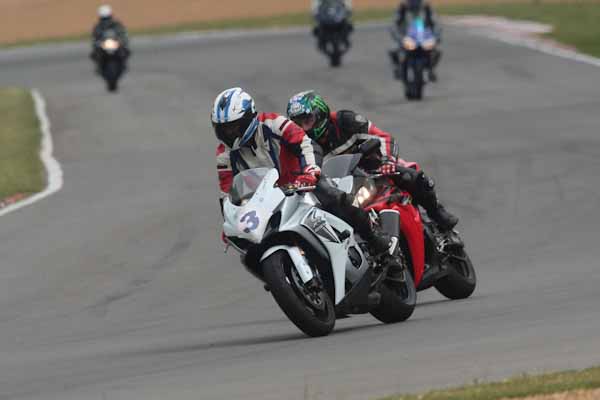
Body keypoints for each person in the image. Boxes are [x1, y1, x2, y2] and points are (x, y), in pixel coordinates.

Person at [214, 87, 404, 278]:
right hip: (268, 199)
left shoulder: (273, 123)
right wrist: (231, 220)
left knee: (334, 197)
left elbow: (304, 142)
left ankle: (378, 242)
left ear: (249, 117)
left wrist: (310, 171)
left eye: (234, 127)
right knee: (250, 253)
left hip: (301, 179)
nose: (230, 133)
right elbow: (227, 193)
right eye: (225, 129)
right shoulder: (224, 155)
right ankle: (285, 278)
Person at [286, 90, 459, 235]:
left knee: (411, 176)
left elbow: (383, 137)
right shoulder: (300, 144)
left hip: (375, 167)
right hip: (340, 186)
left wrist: (387, 160)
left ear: (320, 114)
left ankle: (436, 212)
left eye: (307, 121)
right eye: (299, 125)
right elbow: (292, 169)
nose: (304, 128)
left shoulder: (345, 120)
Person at [391, 0, 440, 81]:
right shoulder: (402, 7)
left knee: (436, 51)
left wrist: (436, 36)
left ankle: (431, 69)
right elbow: (394, 24)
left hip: (423, 36)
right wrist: (398, 37)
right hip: (406, 36)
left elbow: (435, 23)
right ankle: (398, 68)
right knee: (393, 49)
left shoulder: (427, 7)